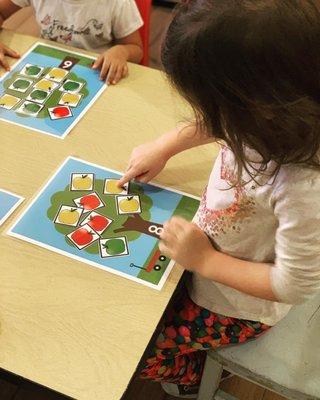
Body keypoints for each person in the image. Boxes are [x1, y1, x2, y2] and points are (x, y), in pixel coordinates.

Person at [118, 0, 320, 397]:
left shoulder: (303, 187)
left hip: (237, 306)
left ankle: (191, 377)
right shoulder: (276, 113)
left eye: (211, 107)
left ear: (258, 109)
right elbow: (217, 122)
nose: (207, 118)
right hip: (205, 257)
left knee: (137, 352)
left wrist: (205, 260)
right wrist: (165, 145)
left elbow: (293, 284)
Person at [0, 0, 143, 84]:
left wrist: (122, 52)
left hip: (98, 74)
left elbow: (136, 48)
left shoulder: (118, 3)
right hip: (48, 66)